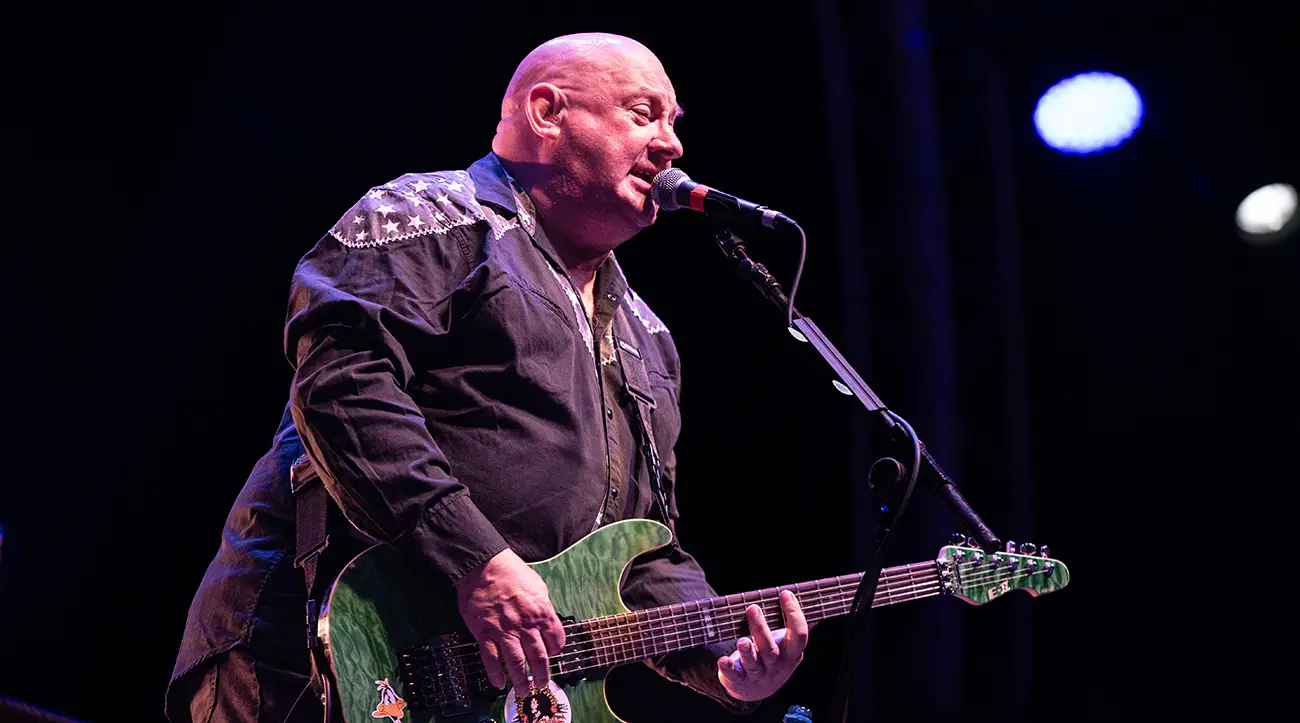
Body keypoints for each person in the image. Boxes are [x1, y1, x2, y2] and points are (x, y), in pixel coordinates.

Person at [165, 32, 810, 723]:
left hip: (479, 692)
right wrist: (479, 560)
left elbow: (644, 546)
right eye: (643, 112)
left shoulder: (647, 339)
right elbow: (344, 386)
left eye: (675, 123)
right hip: (312, 644)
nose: (671, 144)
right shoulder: (428, 216)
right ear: (547, 111)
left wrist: (721, 655)